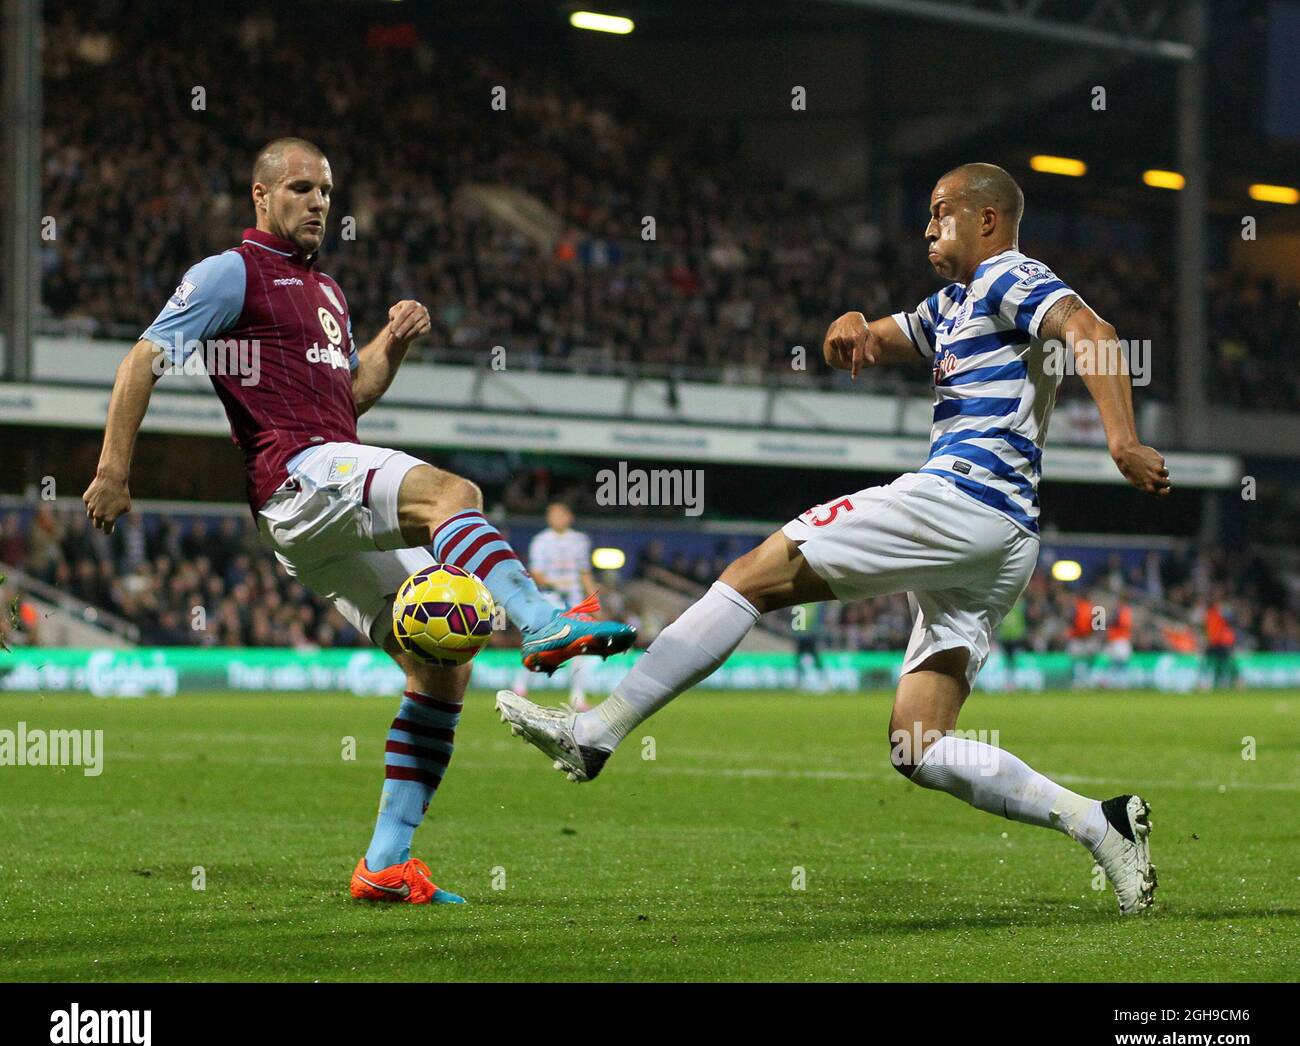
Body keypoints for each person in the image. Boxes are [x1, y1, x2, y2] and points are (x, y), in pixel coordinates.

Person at [498, 162, 1170, 914]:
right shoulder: (952, 302)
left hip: (964, 499)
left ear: (987, 219)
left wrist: (1122, 440)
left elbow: (1093, 331)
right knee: (918, 743)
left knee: (754, 573)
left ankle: (599, 730)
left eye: (941, 212)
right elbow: (876, 340)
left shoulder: (1009, 275)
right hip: (1000, 535)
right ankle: (1101, 824)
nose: (926, 228)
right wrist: (849, 329)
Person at [81, 137, 635, 906]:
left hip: (317, 494)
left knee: (442, 667)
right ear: (261, 196)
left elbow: (348, 396)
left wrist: (391, 344)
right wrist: (114, 468)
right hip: (297, 475)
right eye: (302, 188)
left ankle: (385, 862)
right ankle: (541, 618)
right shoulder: (229, 273)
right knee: (453, 494)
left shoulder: (328, 292)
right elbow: (143, 357)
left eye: (327, 191)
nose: (318, 202)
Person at [511, 502, 599, 710]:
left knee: (579, 647)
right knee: (540, 643)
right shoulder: (541, 541)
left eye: (560, 514)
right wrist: (554, 584)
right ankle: (520, 687)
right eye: (552, 514)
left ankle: (578, 697)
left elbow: (584, 573)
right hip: (549, 600)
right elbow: (536, 573)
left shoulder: (579, 541)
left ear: (569, 516)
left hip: (574, 601)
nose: (556, 518)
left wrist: (594, 600)